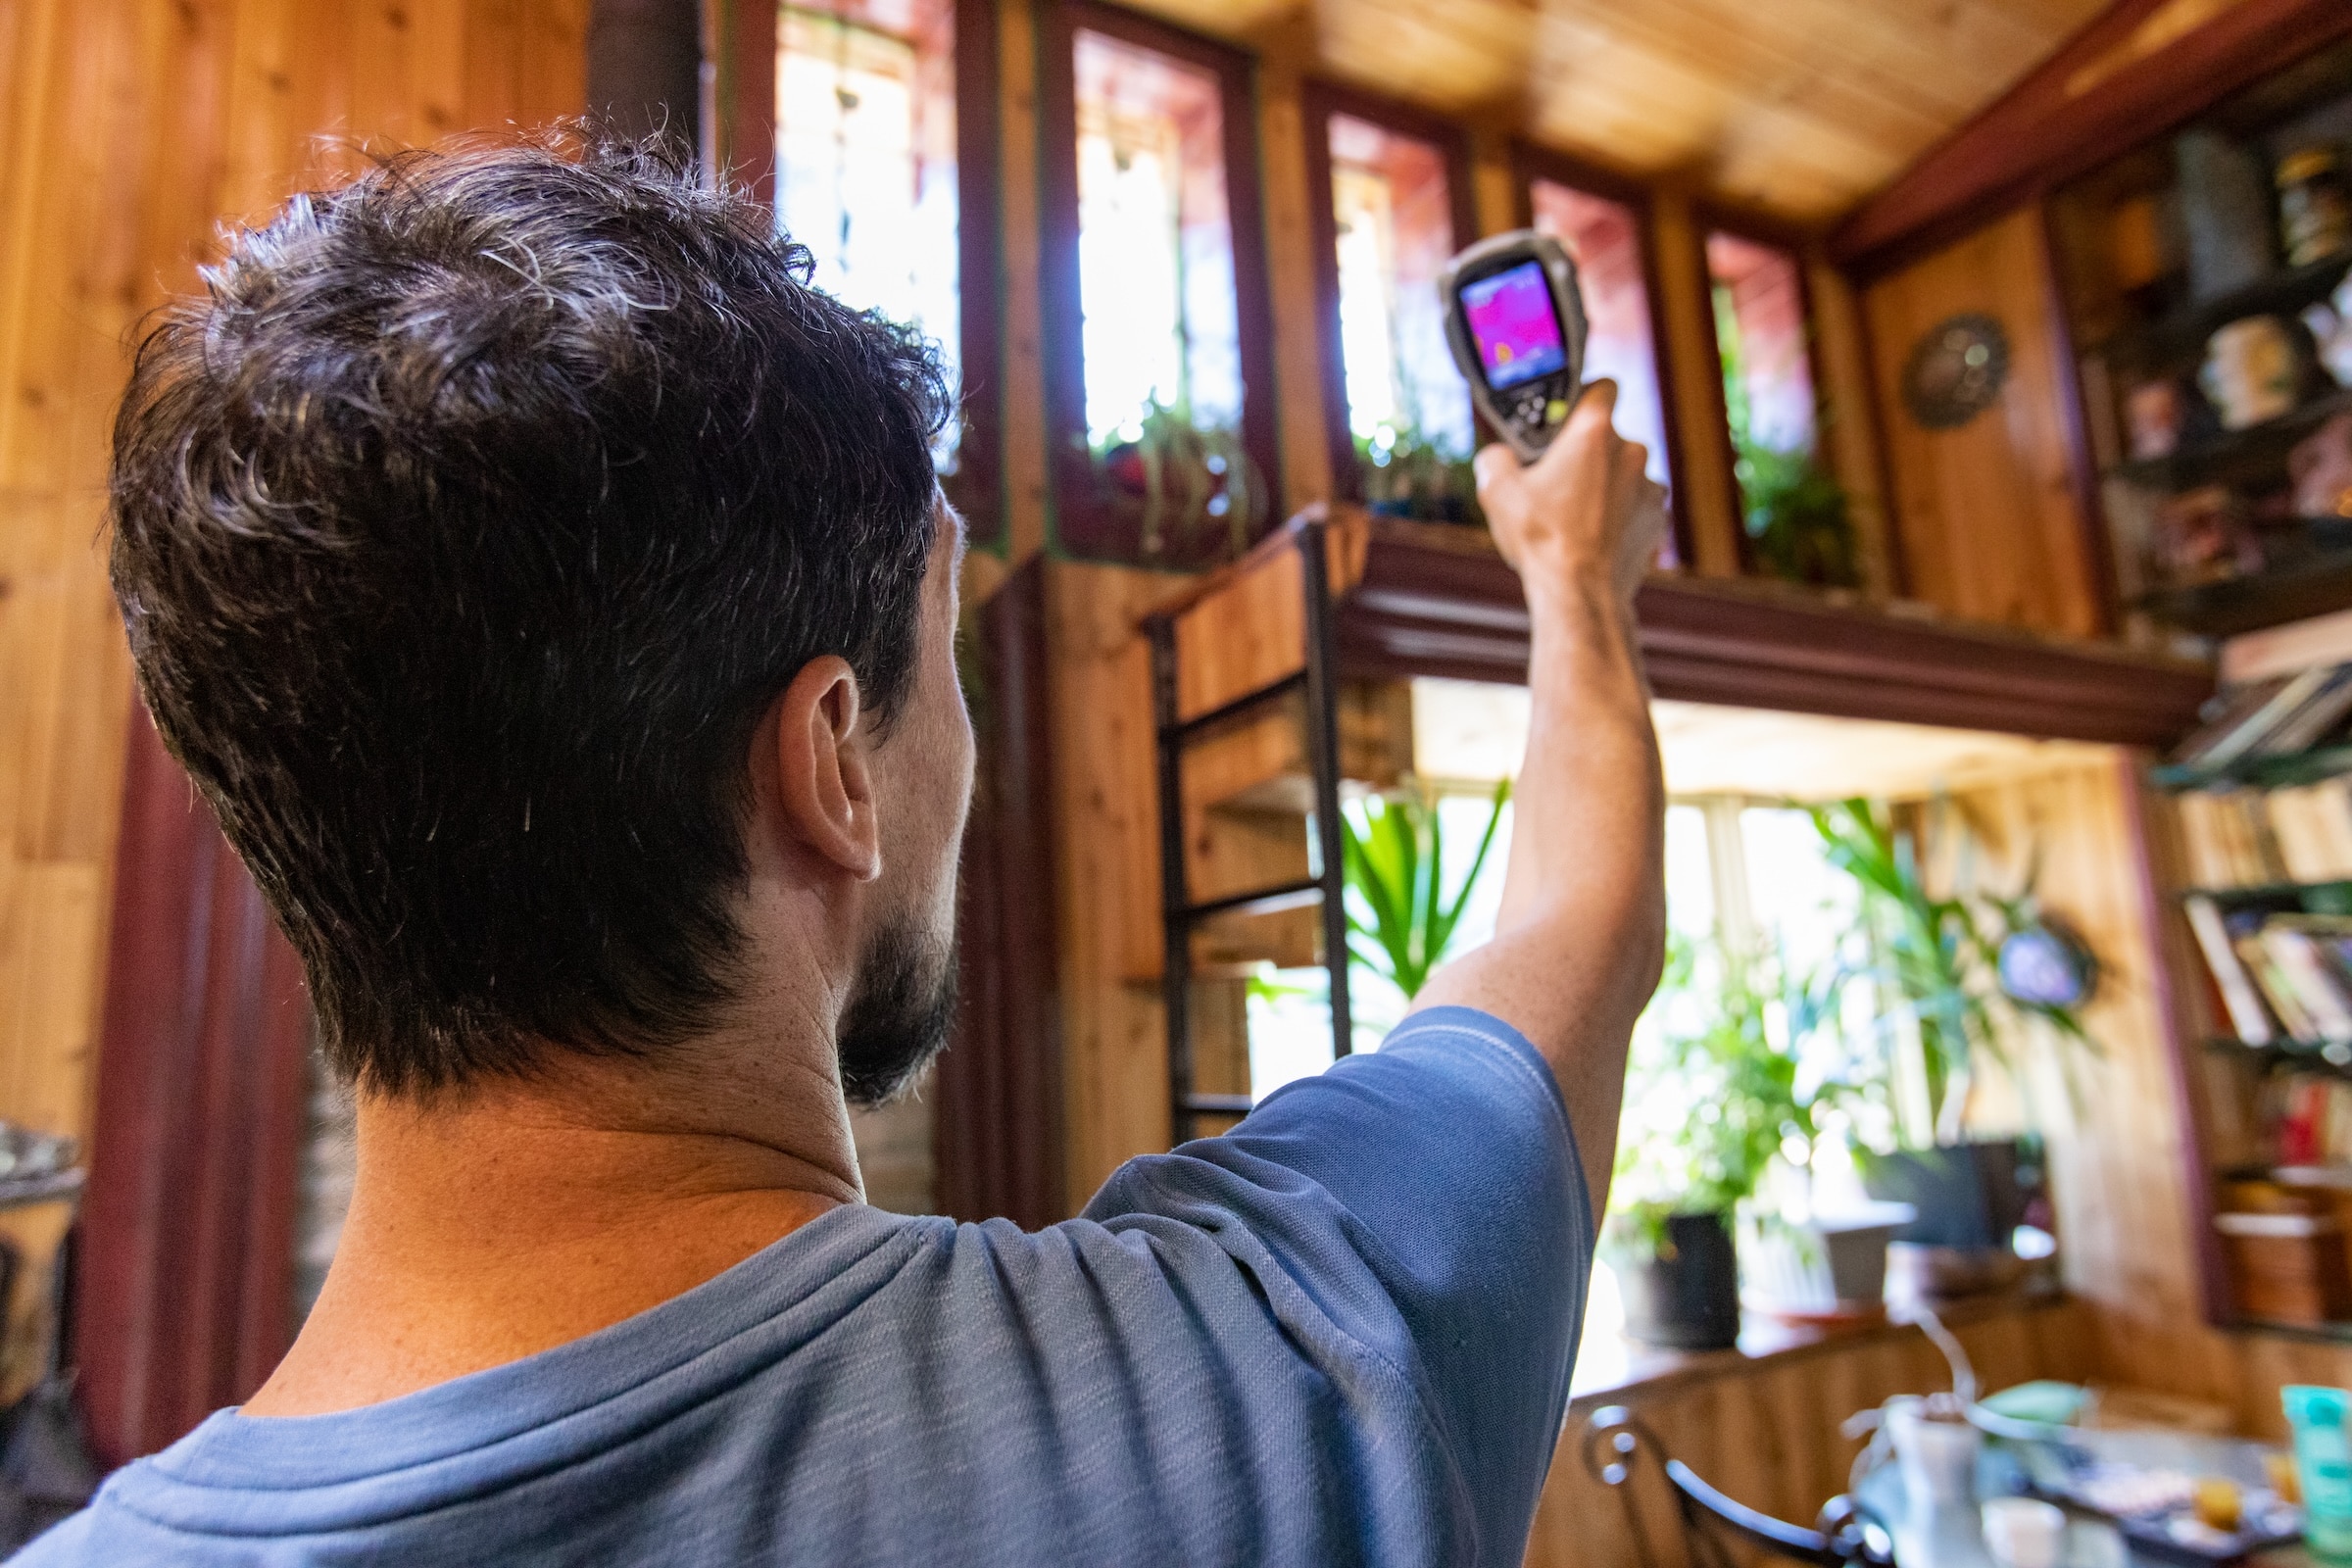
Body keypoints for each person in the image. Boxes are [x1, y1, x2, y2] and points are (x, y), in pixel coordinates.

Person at [20, 136, 1664, 1566]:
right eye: (944, 662)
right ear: (830, 766)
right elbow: (1575, 931)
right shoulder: (1276, 1381)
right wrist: (1572, 581)